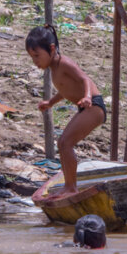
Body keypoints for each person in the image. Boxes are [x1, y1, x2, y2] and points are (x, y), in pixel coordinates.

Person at [25, 25, 105, 196]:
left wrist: (87, 97)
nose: (35, 61)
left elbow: (84, 78)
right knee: (63, 143)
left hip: (94, 106)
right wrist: (50, 102)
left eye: (37, 56)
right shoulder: (54, 69)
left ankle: (71, 187)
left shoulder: (64, 63)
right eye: (32, 57)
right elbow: (65, 90)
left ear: (52, 49)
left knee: (65, 142)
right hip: (86, 107)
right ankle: (70, 185)